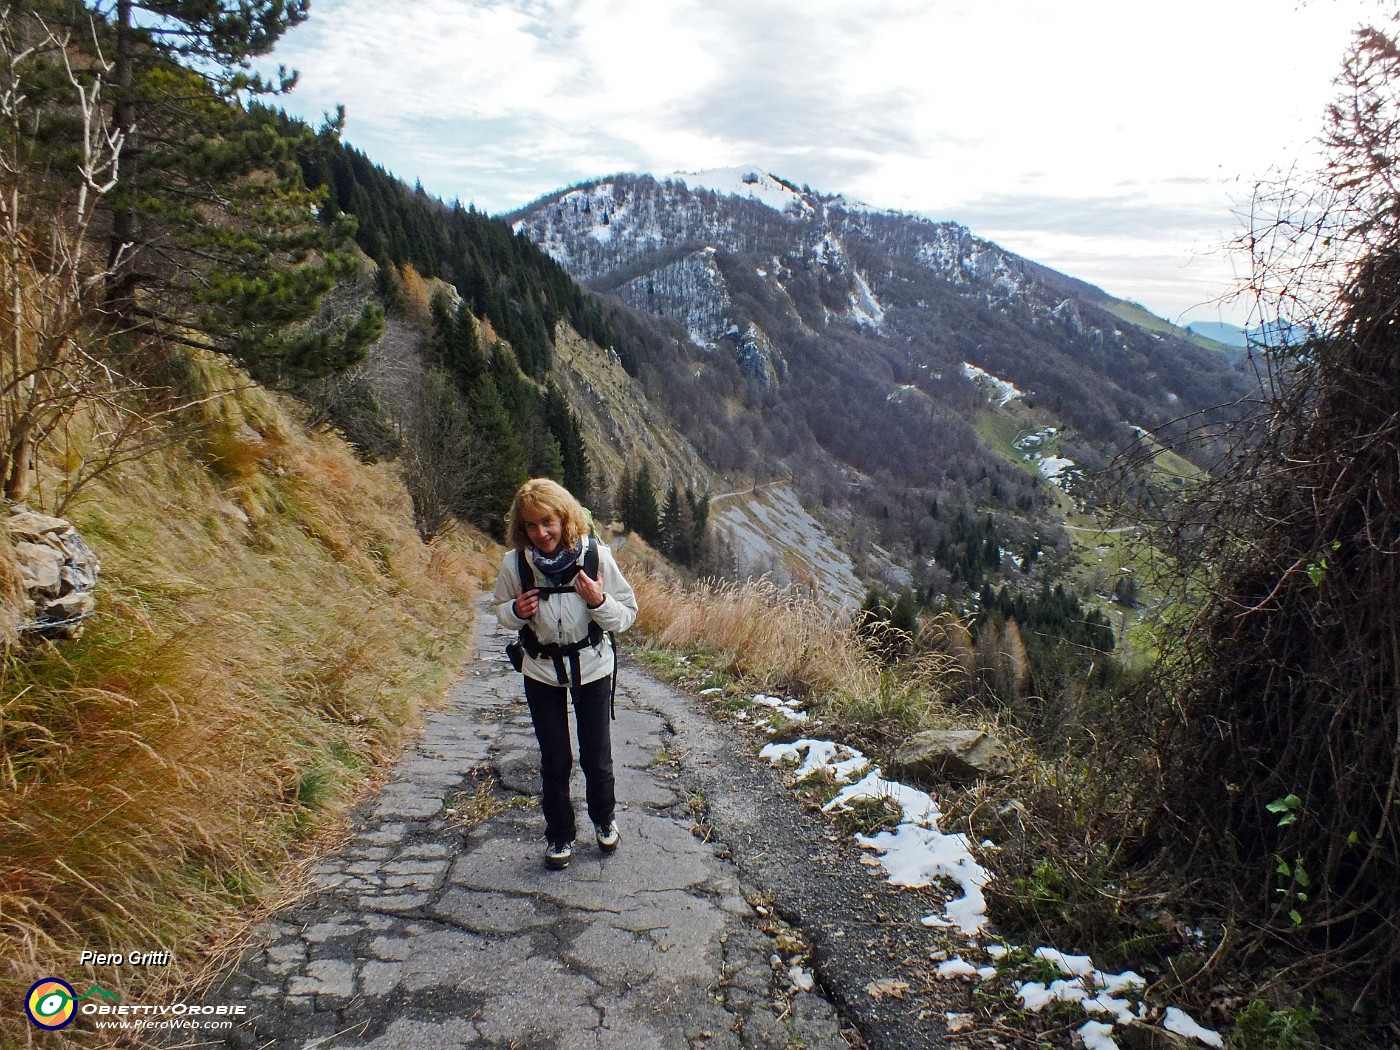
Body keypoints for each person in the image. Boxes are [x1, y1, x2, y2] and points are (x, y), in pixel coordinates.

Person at [493, 478, 638, 870]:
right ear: (520, 529)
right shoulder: (515, 564)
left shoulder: (595, 557)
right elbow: (500, 610)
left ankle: (604, 819)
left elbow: (627, 615)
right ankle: (559, 836)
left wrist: (599, 601)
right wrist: (515, 612)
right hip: (540, 669)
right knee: (555, 758)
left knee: (597, 756)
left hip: (592, 666)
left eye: (547, 522)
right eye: (530, 526)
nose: (540, 533)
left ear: (564, 517)